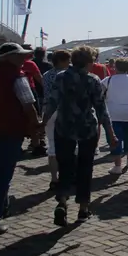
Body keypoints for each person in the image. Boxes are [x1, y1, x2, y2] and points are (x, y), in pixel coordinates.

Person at [0, 43, 42, 238]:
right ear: (10, 58)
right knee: (3, 177)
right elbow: (29, 105)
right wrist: (35, 129)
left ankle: (2, 207)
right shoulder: (17, 77)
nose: (23, 59)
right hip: (9, 130)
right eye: (19, 56)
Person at [44, 45, 117, 226]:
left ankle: (62, 200)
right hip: (87, 128)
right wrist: (110, 133)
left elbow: (51, 102)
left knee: (65, 164)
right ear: (89, 62)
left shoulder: (61, 78)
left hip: (64, 126)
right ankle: (83, 208)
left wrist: (42, 123)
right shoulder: (93, 80)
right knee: (86, 167)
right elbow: (101, 109)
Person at [41, 49, 72, 191]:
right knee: (70, 144)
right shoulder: (67, 75)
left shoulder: (46, 75)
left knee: (52, 146)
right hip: (64, 111)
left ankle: (54, 179)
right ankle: (68, 176)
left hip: (48, 110)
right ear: (62, 61)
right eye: (68, 60)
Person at [102, 58, 128, 174]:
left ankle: (117, 165)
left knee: (115, 139)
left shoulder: (108, 80)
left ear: (115, 67)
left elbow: (99, 94)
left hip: (113, 114)